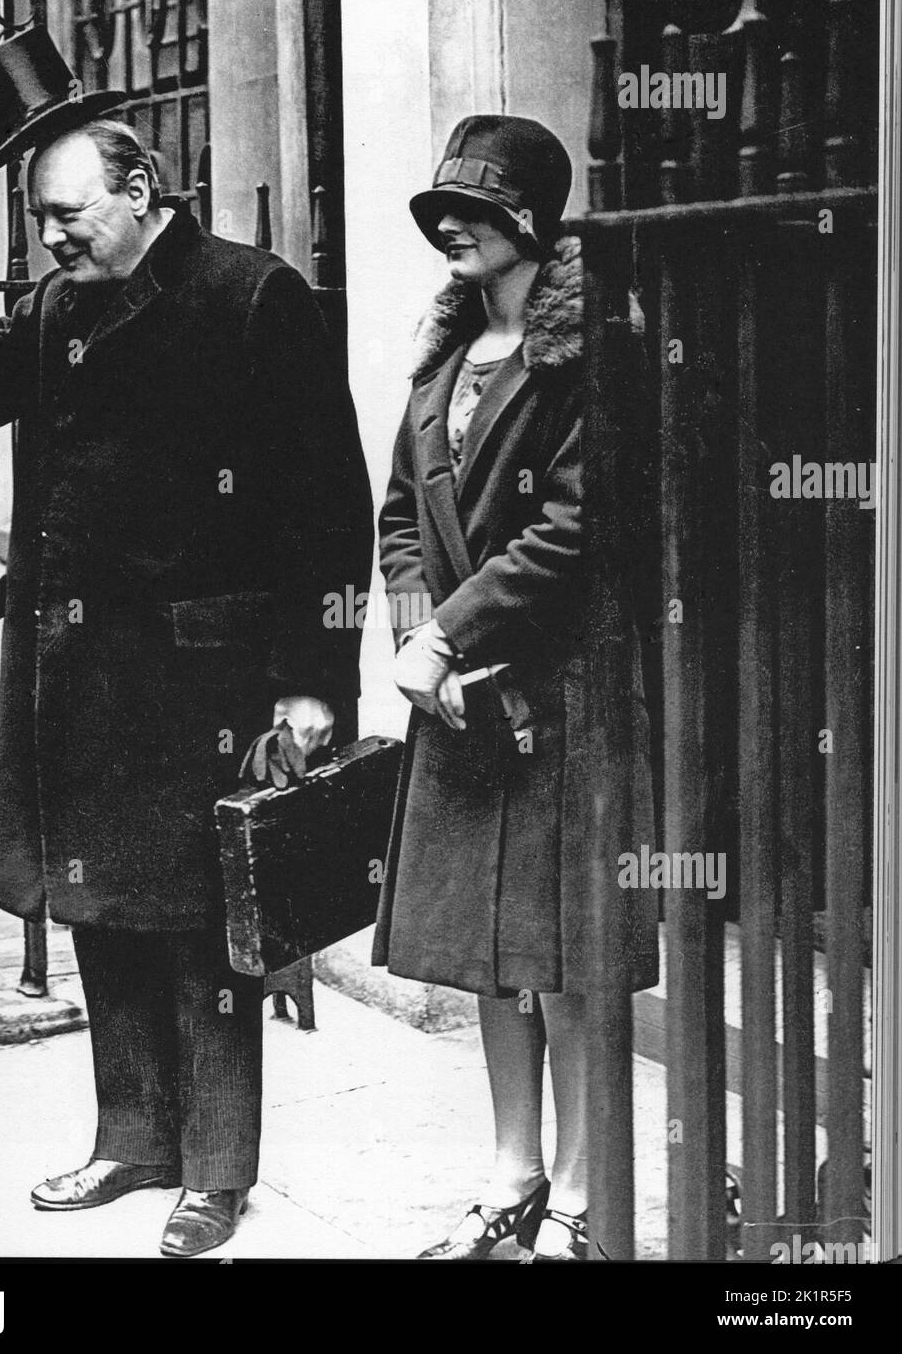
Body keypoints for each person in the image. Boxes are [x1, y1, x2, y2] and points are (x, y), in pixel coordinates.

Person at [0, 118, 373, 1257]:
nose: (50, 236)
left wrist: (311, 681)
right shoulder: (61, 303)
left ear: (141, 189)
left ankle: (216, 1167)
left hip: (206, 673)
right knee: (103, 909)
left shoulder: (252, 296)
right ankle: (134, 1137)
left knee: (209, 927)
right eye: (40, 219)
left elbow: (327, 502)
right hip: (82, 667)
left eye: (66, 214)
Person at [373, 115, 658, 1260]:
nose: (450, 226)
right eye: (443, 208)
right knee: (490, 958)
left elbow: (574, 530)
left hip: (558, 690)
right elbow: (399, 510)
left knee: (570, 959)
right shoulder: (441, 359)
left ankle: (587, 1203)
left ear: (528, 224)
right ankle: (512, 1179)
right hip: (455, 700)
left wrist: (443, 635)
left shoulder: (590, 353)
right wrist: (413, 630)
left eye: (475, 212)